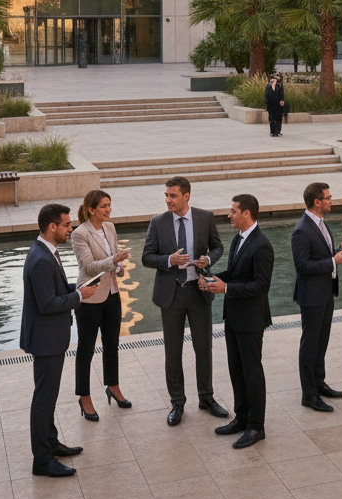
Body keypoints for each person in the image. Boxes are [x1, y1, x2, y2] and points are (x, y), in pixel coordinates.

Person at [20, 202, 98, 478]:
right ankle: (42, 459)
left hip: (49, 337)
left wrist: (76, 288)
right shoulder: (41, 259)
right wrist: (78, 298)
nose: (71, 228)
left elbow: (53, 290)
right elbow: (47, 303)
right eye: (66, 224)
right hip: (46, 339)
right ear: (52, 226)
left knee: (48, 397)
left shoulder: (45, 251)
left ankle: (50, 443)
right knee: (44, 399)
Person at [141, 175, 227, 425]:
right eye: (166, 195)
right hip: (172, 294)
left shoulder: (204, 217)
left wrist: (208, 261)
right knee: (173, 351)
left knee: (203, 348)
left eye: (173, 196)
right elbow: (147, 257)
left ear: (186, 196)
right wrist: (169, 260)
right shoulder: (158, 222)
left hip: (198, 291)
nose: (168, 200)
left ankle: (206, 398)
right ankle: (177, 403)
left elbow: (217, 247)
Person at [199, 194, 274, 448]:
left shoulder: (262, 245)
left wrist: (227, 288)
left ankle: (256, 427)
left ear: (247, 214)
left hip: (250, 320)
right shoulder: (239, 238)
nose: (228, 215)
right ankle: (241, 418)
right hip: (233, 317)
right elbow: (234, 273)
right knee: (236, 371)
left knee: (252, 373)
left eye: (233, 211)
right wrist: (211, 279)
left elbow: (261, 286)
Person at [291, 181, 342, 411]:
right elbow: (302, 266)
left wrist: (340, 249)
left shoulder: (319, 223)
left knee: (321, 343)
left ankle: (319, 384)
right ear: (317, 202)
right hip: (311, 297)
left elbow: (322, 253)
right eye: (328, 197)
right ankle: (309, 395)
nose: (331, 200)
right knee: (309, 346)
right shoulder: (301, 230)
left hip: (326, 293)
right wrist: (332, 261)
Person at [71, 190, 132, 421]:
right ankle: (84, 397)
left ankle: (113, 386)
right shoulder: (80, 233)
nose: (108, 209)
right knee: (85, 350)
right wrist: (113, 261)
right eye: (104, 206)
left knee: (112, 345)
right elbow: (87, 266)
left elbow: (113, 255)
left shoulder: (110, 227)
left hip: (113, 293)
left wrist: (120, 266)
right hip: (90, 296)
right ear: (91, 209)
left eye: (110, 205)